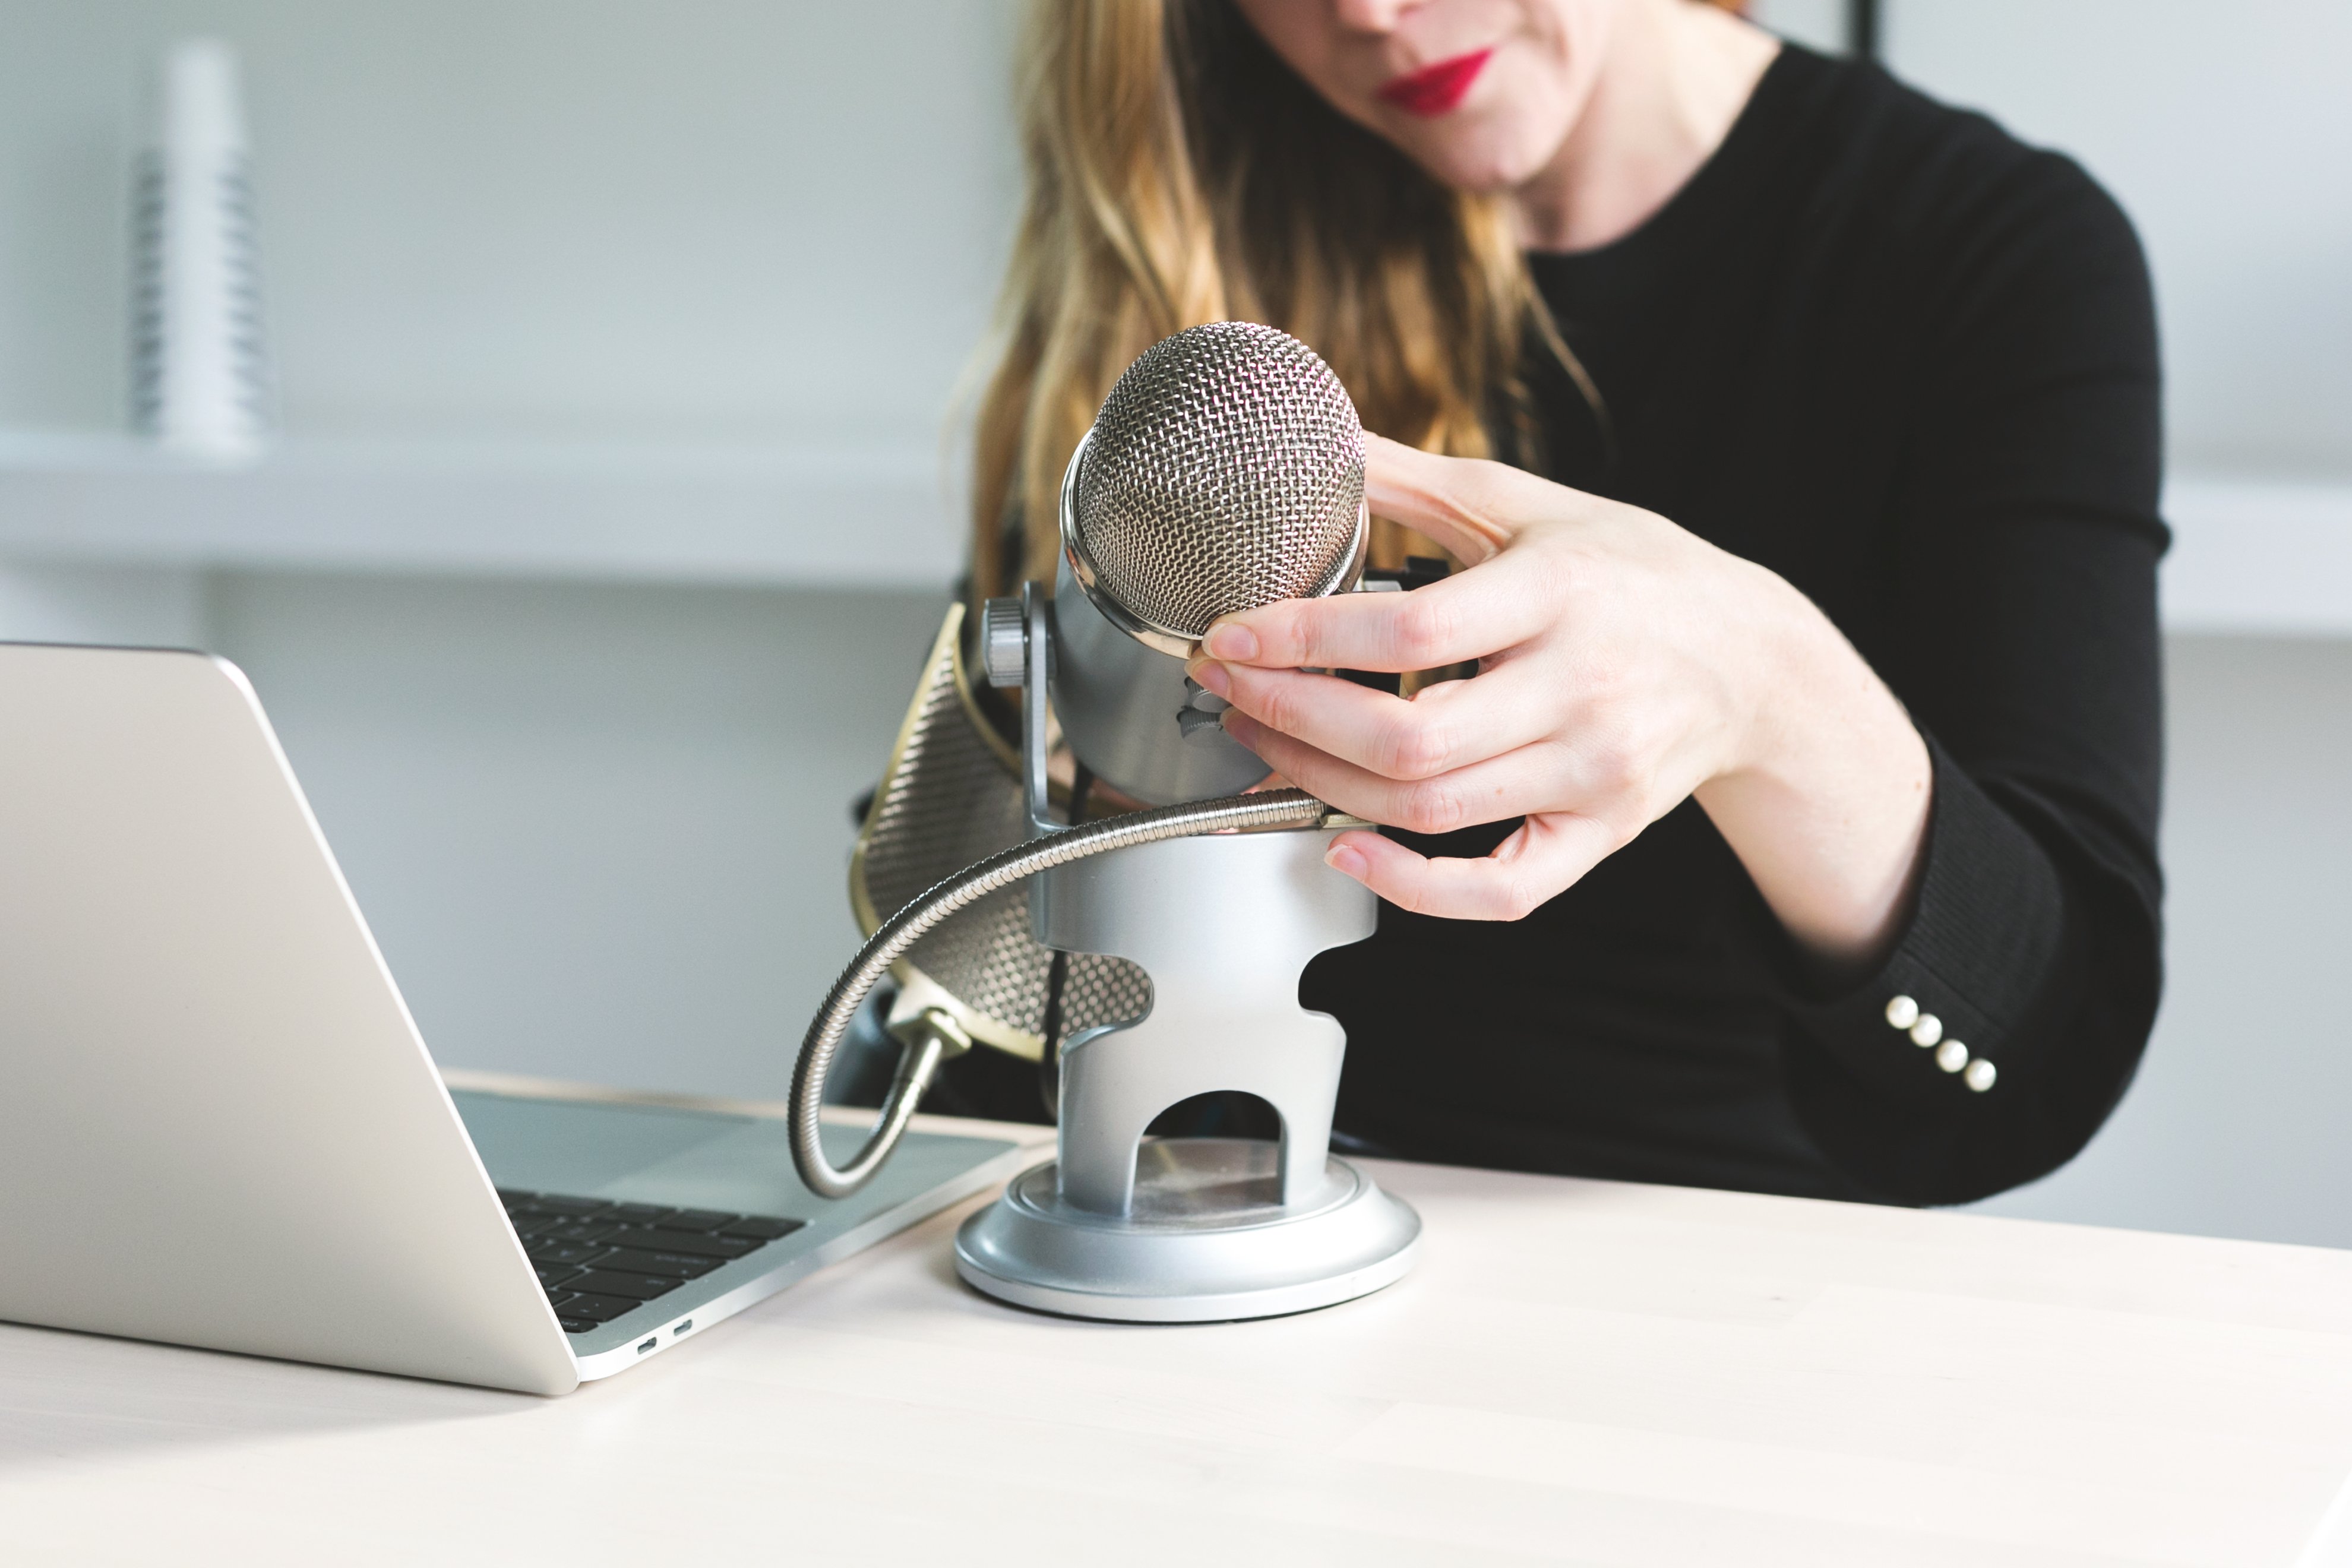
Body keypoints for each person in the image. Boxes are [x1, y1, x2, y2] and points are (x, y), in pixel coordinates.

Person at [932, 0, 2164, 1207]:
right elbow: (975, 975)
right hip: (1196, 1215)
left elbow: (2037, 1057)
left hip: (1702, 1277)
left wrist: (1766, 688)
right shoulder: (1182, 219)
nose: (1369, 12)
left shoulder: (1992, 249)